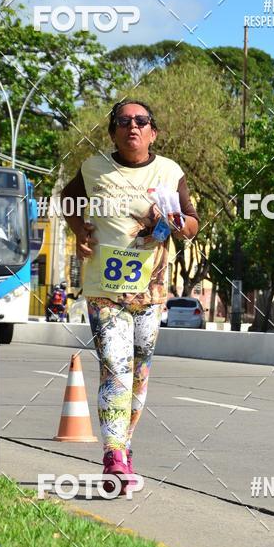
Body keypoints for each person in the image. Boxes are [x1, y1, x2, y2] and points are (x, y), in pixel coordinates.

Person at [62, 99, 199, 494]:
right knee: (115, 367)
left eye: (141, 121)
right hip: (104, 291)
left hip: (151, 292)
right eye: (123, 121)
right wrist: (78, 229)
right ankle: (113, 455)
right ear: (113, 132)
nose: (132, 127)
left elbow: (191, 223)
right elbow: (67, 201)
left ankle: (123, 447)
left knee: (139, 374)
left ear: (153, 131)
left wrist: (174, 223)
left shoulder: (170, 172)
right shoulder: (93, 169)